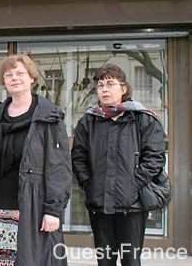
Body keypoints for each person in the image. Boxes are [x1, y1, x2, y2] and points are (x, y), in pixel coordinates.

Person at [0, 54, 72, 266]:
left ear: (32, 78)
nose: (14, 78)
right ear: (4, 81)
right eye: (9, 74)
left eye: (20, 73)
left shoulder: (48, 117)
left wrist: (53, 210)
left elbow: (58, 166)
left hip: (31, 208)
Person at [71, 64, 166, 266]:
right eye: (100, 85)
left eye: (110, 84)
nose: (104, 89)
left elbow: (154, 158)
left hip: (132, 205)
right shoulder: (88, 121)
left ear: (124, 89)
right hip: (100, 204)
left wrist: (133, 185)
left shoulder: (143, 119)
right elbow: (78, 158)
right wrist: (89, 184)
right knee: (105, 261)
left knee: (131, 261)